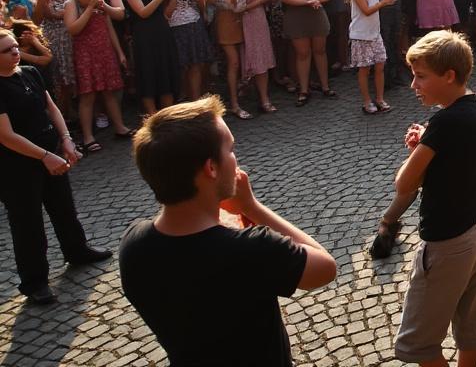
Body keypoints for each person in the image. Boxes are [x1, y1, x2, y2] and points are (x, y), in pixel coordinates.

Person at [120, 95, 338, 365]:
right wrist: (252, 207)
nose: (236, 159)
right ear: (211, 168)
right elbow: (326, 267)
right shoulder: (252, 249)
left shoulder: (133, 244)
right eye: (231, 150)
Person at [390, 30, 476, 367]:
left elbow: (404, 183)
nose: (413, 85)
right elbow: (456, 159)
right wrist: (428, 145)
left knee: (418, 343)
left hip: (445, 244)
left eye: (421, 76)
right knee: (471, 326)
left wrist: (421, 149)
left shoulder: (443, 123)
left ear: (449, 76)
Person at [0, 27, 112, 305]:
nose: (15, 52)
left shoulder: (30, 73)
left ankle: (77, 250)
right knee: (27, 222)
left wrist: (66, 140)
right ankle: (35, 281)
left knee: (63, 205)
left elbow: (51, 108)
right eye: (7, 50)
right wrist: (44, 156)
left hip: (50, 151)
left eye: (15, 46)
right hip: (15, 164)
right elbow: (6, 135)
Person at [64, 0, 129, 152]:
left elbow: (110, 27)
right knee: (88, 95)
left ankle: (120, 127)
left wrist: (120, 52)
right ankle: (87, 137)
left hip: (104, 52)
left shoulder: (100, 4)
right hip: (85, 54)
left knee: (109, 92)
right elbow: (73, 29)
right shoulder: (72, 4)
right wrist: (89, 9)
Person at [122, 0, 179, 116]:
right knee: (148, 72)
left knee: (165, 71)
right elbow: (143, 12)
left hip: (162, 32)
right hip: (144, 35)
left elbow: (168, 12)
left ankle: (168, 113)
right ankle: (152, 114)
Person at [278, 0, 333, 105]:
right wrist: (308, 1)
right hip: (297, 15)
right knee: (302, 53)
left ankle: (325, 85)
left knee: (320, 50)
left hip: (316, 12)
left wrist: (317, 0)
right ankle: (303, 88)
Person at [234, 0, 279, 115]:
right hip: (246, 22)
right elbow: (240, 8)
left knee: (262, 59)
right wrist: (262, 0)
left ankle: (264, 98)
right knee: (248, 57)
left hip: (261, 21)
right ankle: (247, 92)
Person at [347, 0, 395, 114]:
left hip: (375, 34)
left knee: (380, 65)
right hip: (361, 36)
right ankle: (367, 101)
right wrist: (384, 3)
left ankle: (380, 98)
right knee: (364, 69)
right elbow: (367, 11)